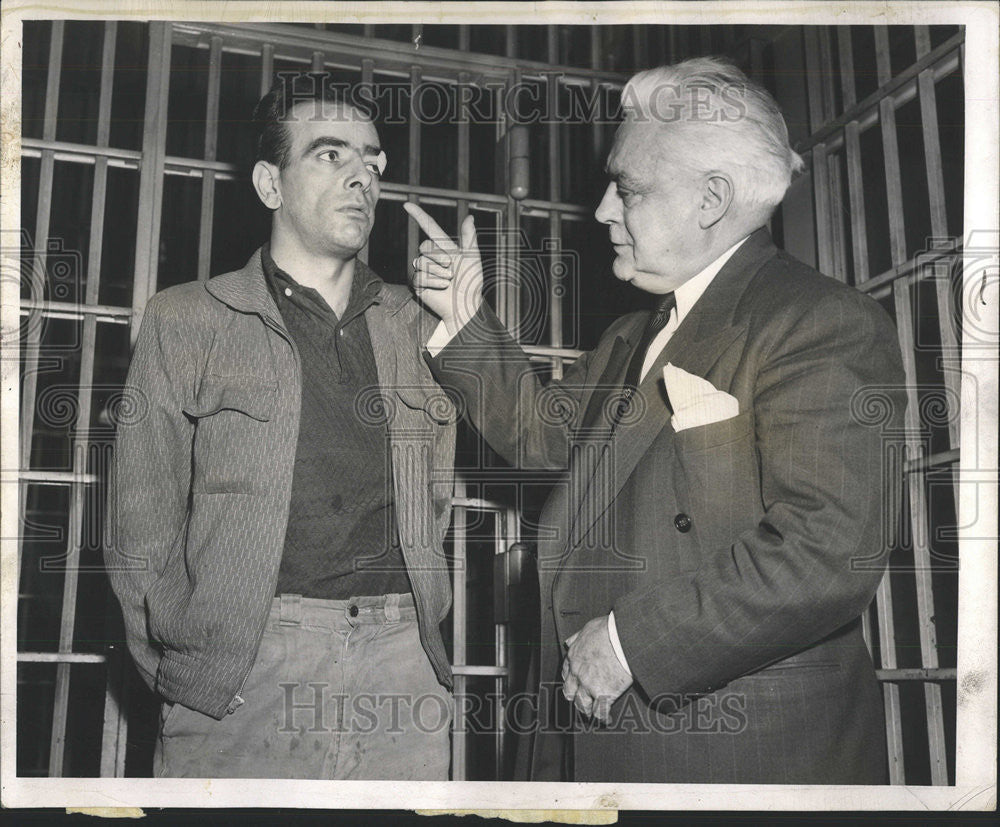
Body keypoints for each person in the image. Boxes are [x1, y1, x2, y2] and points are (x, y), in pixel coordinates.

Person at [407, 56, 906, 783]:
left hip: (733, 756)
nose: (604, 209)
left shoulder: (819, 321)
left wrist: (631, 643)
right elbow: (540, 430)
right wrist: (464, 319)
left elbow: (828, 551)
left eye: (628, 187)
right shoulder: (632, 335)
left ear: (711, 200)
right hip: (601, 736)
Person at [105, 73, 456, 779]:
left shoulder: (419, 325)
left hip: (400, 668)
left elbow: (440, 493)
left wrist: (472, 317)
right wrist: (197, 667)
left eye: (373, 160)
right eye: (332, 155)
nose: (363, 175)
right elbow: (138, 526)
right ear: (270, 184)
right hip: (243, 672)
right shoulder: (187, 320)